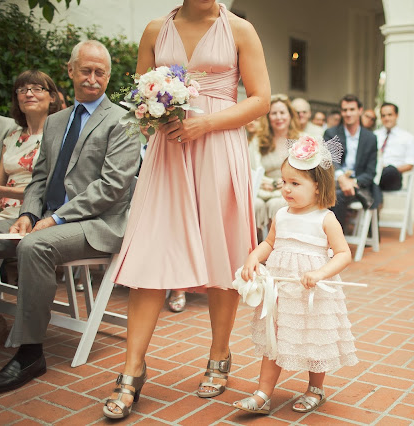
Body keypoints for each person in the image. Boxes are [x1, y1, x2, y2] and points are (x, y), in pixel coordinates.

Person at [103, 0, 270, 419]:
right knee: (150, 251)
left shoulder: (240, 30)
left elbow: (261, 100)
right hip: (169, 152)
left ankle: (219, 353)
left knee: (221, 249)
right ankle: (132, 369)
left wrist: (205, 123)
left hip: (219, 148)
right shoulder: (154, 29)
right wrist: (154, 113)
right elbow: (138, 100)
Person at [0, 39, 140, 393]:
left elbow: (112, 187)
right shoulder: (55, 121)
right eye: (86, 70)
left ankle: (30, 353)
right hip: (47, 218)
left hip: (98, 224)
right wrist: (28, 213)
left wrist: (55, 219)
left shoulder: (124, 121)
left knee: (35, 246)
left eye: (100, 72)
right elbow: (39, 178)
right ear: (70, 71)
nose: (92, 78)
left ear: (109, 76)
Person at [232, 136, 357, 415]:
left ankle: (315, 389)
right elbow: (269, 243)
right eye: (284, 182)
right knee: (274, 337)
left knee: (314, 340)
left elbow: (343, 253)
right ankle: (263, 394)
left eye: (295, 183)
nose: (286, 188)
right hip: (282, 293)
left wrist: (320, 273)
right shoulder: (282, 215)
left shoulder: (325, 218)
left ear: (317, 186)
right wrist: (254, 257)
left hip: (312, 292)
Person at [0, 70, 62, 222]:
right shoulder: (11, 138)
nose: (28, 94)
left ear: (52, 97)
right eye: (22, 90)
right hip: (0, 211)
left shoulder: (60, 136)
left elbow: (50, 192)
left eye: (37, 89)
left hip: (31, 213)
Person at [323, 94, 379, 230]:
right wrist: (342, 178)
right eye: (345, 110)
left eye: (352, 109)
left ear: (360, 110)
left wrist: (353, 182)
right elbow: (330, 161)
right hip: (335, 181)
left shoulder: (370, 138)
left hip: (358, 185)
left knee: (337, 196)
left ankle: (335, 238)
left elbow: (370, 172)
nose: (348, 114)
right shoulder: (331, 133)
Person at [248, 94, 300, 232]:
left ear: (290, 115)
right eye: (274, 113)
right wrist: (266, 183)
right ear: (268, 117)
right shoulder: (257, 140)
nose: (278, 117)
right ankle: (256, 241)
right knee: (255, 204)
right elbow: (251, 169)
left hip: (289, 188)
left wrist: (284, 183)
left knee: (277, 204)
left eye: (282, 112)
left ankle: (278, 242)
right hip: (262, 188)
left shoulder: (300, 140)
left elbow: (304, 171)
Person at [374, 102, 414, 191]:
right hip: (374, 173)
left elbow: (410, 165)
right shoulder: (374, 135)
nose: (386, 118)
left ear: (396, 115)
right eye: (383, 116)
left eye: (390, 115)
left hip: (393, 176)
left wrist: (387, 170)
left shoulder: (408, 138)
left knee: (389, 171)